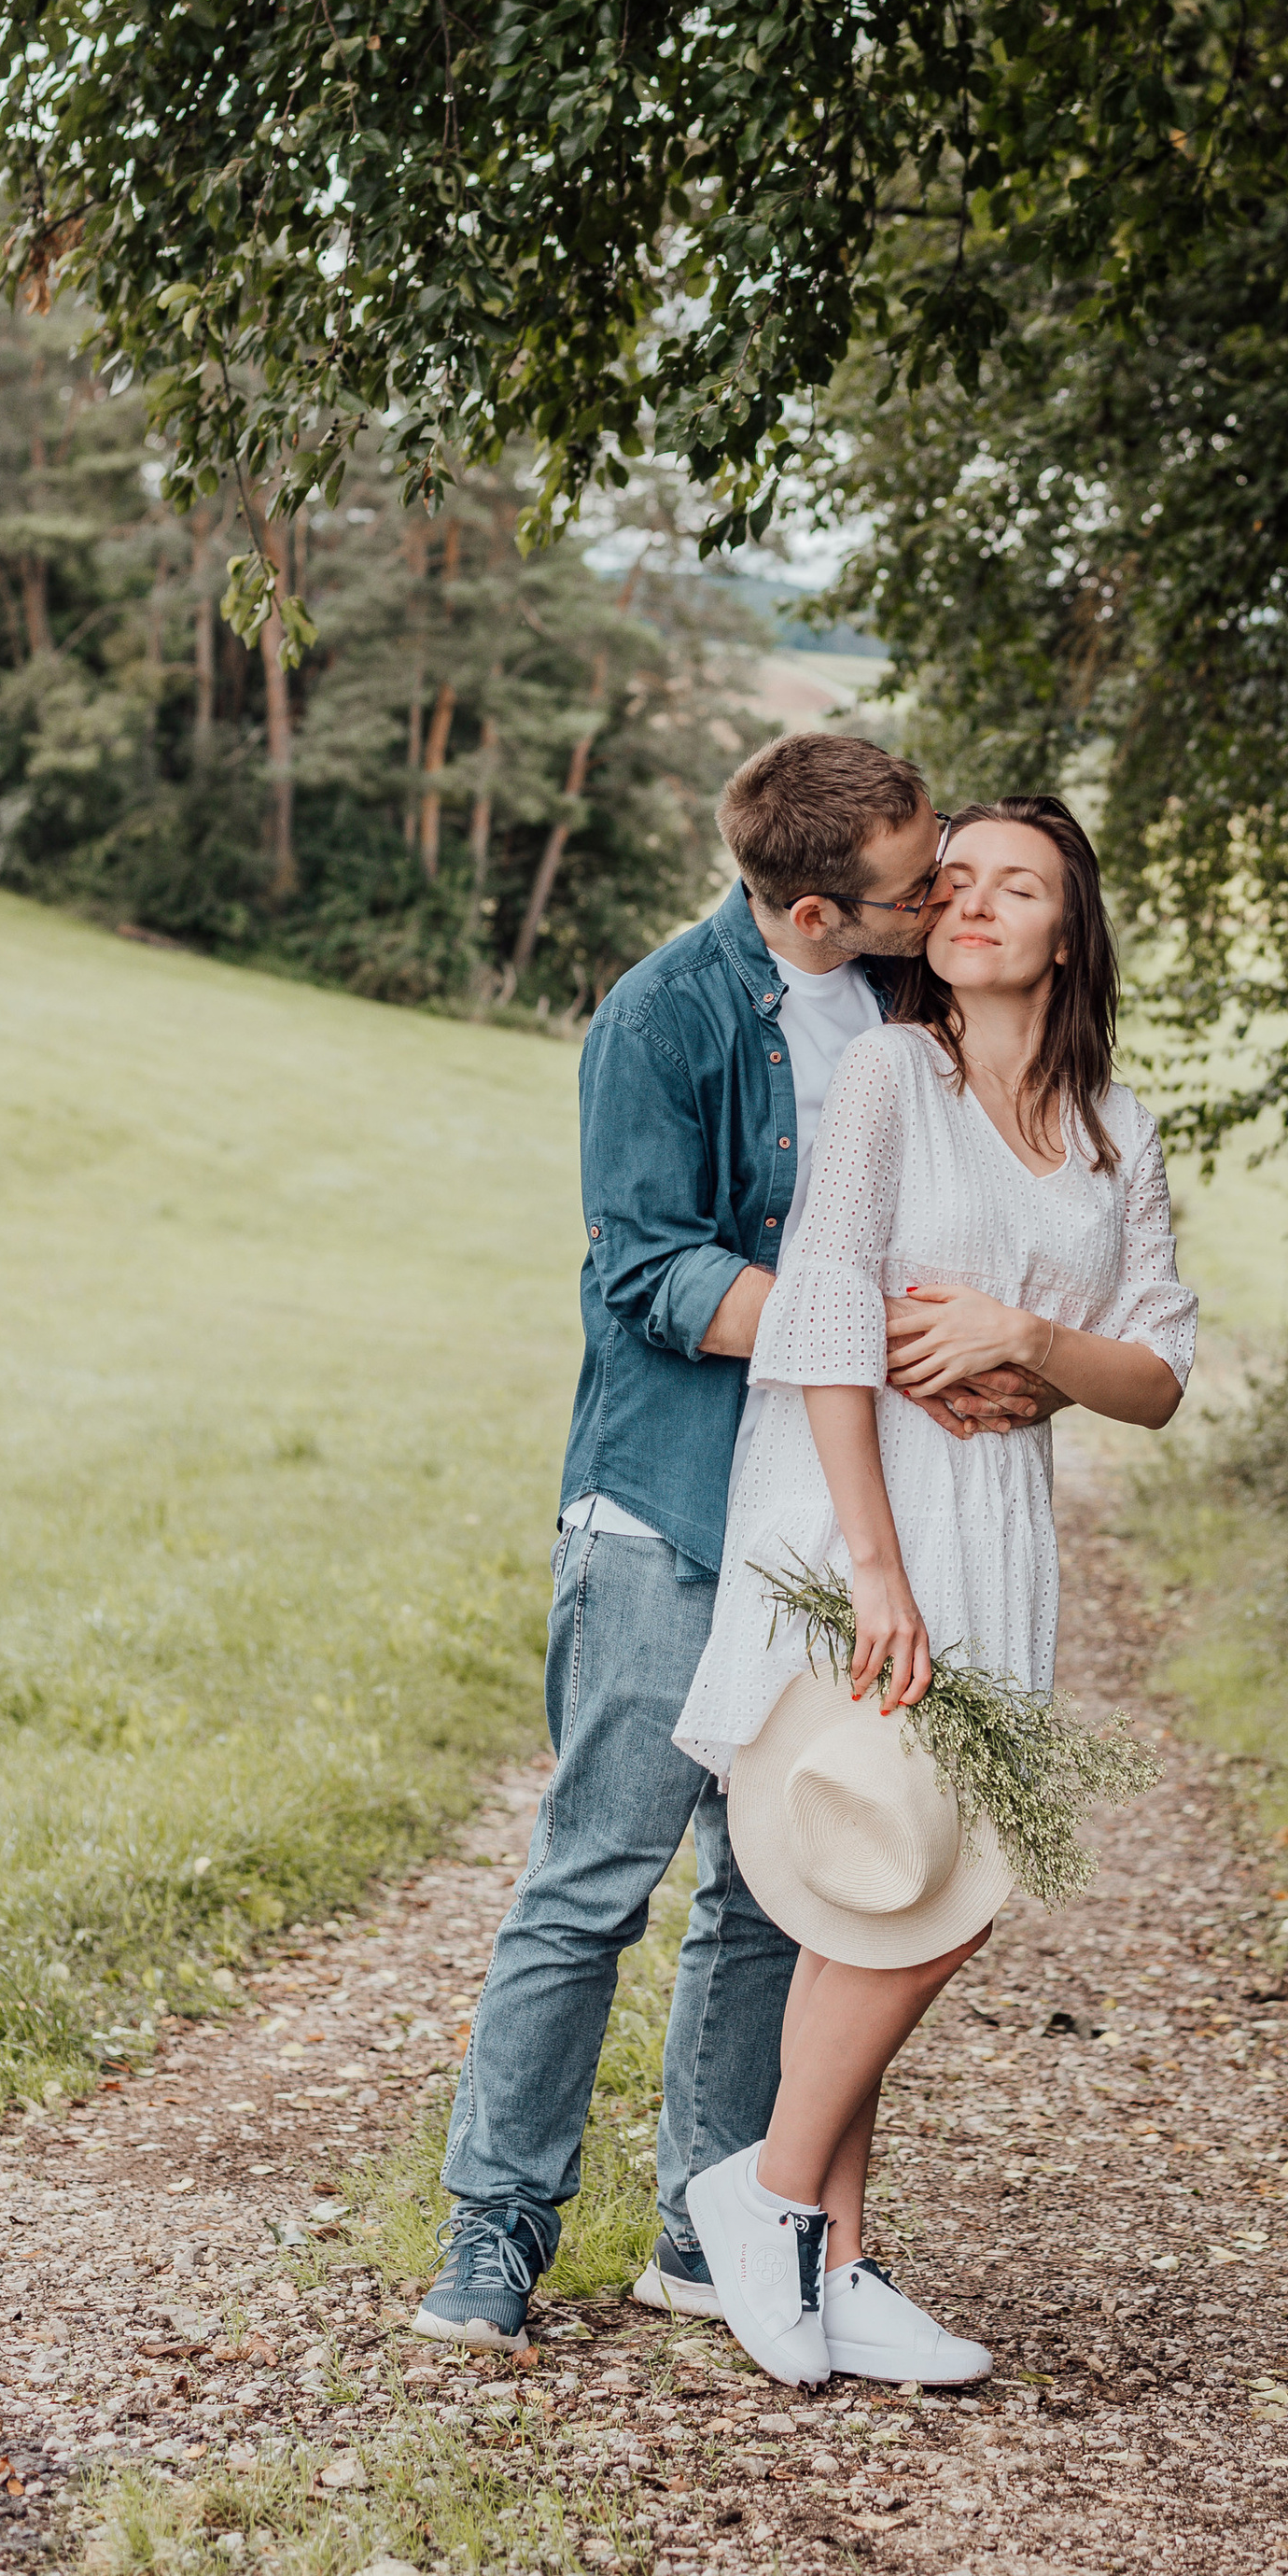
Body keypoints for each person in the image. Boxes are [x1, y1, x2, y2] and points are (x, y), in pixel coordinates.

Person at [414, 735, 1056, 2355]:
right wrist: (891, 1345)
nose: (947, 900)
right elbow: (650, 1272)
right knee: (593, 1882)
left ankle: (716, 2230)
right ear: (826, 909)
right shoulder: (666, 1015)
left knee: (777, 1887)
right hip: (671, 1504)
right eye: (921, 885)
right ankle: (497, 2224)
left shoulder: (912, 1012)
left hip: (827, 1519)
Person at [671, 797, 1197, 2386]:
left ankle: (836, 2256)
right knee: (913, 1880)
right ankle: (764, 2201)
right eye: (952, 881)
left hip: (1001, 1523)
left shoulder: (1117, 1126)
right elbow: (832, 1302)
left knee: (896, 1878)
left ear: (1066, 929)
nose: (972, 903)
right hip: (867, 1510)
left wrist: (1030, 1345)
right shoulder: (899, 1072)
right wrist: (876, 1565)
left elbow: (1159, 1369)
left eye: (1014, 884)